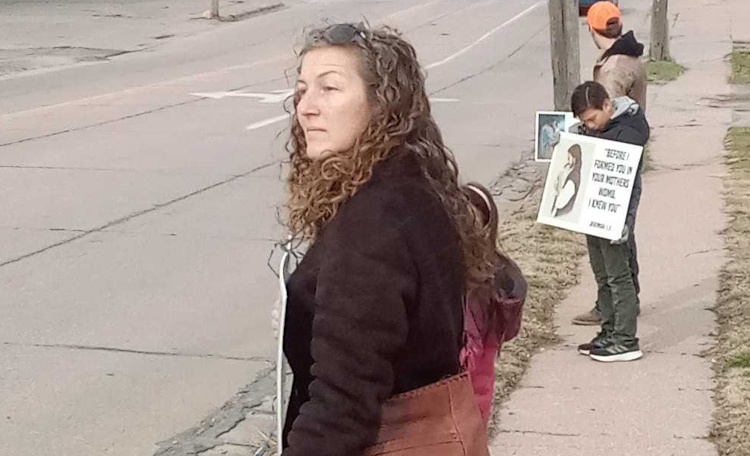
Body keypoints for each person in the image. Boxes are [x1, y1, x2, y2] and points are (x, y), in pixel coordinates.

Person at [280, 23, 494, 455]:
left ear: (382, 103)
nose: (306, 108)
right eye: (302, 90)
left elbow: (342, 406)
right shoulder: (413, 187)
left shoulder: (371, 223)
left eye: (329, 88)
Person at [573, 1, 648, 325]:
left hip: (615, 161)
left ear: (592, 30)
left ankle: (614, 308)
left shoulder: (613, 69)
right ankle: (627, 297)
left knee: (613, 237)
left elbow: (607, 121)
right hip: (628, 154)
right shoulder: (629, 56)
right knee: (624, 233)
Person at [570, 81, 650, 362]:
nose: (589, 126)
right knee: (602, 274)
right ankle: (609, 331)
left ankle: (626, 339)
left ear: (607, 106)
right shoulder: (598, 130)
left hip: (615, 215)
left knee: (618, 276)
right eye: (584, 122)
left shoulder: (628, 132)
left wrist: (625, 222)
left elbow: (627, 182)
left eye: (592, 119)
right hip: (593, 211)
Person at [460, 183, 526, 427]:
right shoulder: (501, 273)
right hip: (481, 385)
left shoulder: (467, 282)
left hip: (459, 392)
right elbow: (510, 330)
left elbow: (467, 354)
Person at [551, 144, 582, 218]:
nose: (567, 161)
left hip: (561, 214)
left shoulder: (573, 177)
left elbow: (559, 203)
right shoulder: (572, 173)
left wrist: (560, 181)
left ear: (574, 159)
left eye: (569, 158)